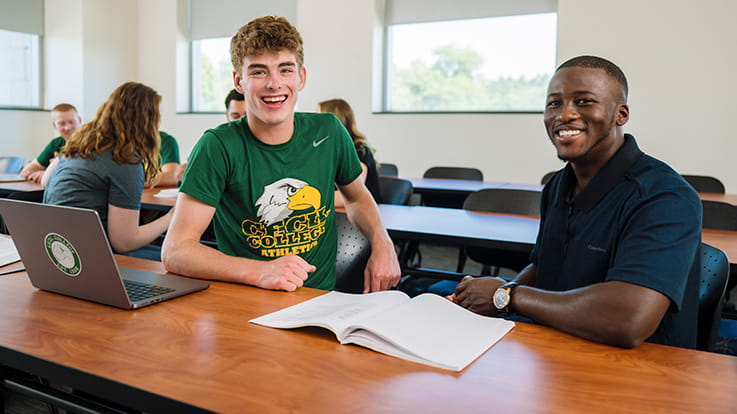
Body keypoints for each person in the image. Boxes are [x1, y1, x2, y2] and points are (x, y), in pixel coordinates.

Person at [450, 55, 702, 349]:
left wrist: (507, 296)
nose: (565, 114)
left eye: (583, 101)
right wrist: (494, 298)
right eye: (554, 103)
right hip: (561, 344)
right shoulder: (559, 184)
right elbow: (543, 267)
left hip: (643, 368)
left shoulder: (664, 196)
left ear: (621, 114)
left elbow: (628, 320)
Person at [162, 16, 400, 292]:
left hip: (318, 300)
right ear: (239, 81)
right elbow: (176, 251)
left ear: (301, 78)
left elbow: (358, 197)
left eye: (285, 70)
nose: (274, 84)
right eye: (259, 72)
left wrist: (383, 243)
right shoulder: (217, 146)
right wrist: (261, 272)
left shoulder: (329, 131)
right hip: (243, 301)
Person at [42, 82, 174, 260]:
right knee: (176, 257)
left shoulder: (79, 146)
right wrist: (174, 215)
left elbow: (45, 181)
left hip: (56, 252)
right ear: (147, 121)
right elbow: (124, 242)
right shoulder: (125, 160)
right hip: (93, 257)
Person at [317, 98, 382, 207]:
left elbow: (351, 197)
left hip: (366, 215)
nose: (314, 121)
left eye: (318, 116)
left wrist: (312, 199)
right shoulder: (326, 148)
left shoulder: (359, 150)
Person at [174, 89, 245, 183]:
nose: (241, 121)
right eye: (235, 116)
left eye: (247, 116)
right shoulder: (214, 143)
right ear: (227, 116)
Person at [20, 103, 82, 183]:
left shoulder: (89, 142)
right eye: (62, 123)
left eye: (71, 122)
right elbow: (34, 166)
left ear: (80, 120)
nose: (67, 127)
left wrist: (48, 174)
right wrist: (27, 172)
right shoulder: (56, 143)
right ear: (54, 125)